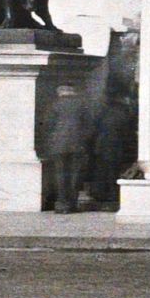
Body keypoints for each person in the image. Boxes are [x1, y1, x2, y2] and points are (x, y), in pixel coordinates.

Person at [47, 81, 90, 213]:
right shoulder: (82, 105)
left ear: (60, 92)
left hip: (58, 146)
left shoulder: (54, 105)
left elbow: (48, 125)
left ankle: (61, 204)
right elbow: (88, 126)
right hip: (78, 145)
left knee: (60, 175)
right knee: (75, 175)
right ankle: (72, 204)